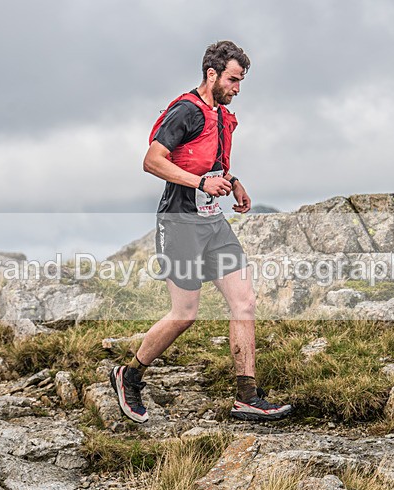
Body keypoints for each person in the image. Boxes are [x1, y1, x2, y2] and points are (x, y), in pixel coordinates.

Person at [110, 41, 292, 423]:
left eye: (241, 81)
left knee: (244, 302)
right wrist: (198, 184)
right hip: (180, 222)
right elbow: (152, 161)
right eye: (233, 79)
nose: (237, 88)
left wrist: (234, 181)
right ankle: (130, 374)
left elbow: (212, 163)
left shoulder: (222, 115)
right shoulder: (185, 112)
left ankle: (248, 396)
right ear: (212, 74)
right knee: (185, 314)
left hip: (213, 224)